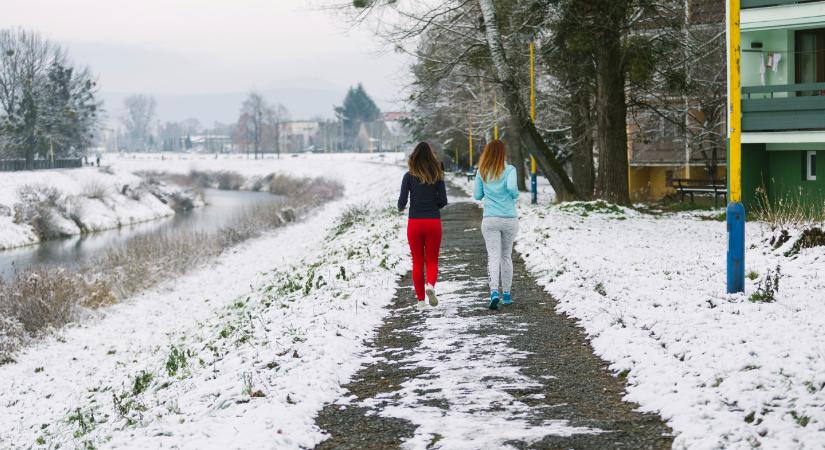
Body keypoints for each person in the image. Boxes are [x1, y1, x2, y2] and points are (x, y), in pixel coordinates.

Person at [398, 142, 448, 309]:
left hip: (415, 223)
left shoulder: (408, 176)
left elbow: (402, 202)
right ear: (431, 158)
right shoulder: (437, 175)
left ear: (414, 157)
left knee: (417, 262)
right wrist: (434, 206)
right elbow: (443, 201)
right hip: (433, 222)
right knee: (432, 260)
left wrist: (401, 208)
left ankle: (420, 301)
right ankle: (430, 286)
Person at [473, 140, 519, 310]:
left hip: (490, 219)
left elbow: (477, 195)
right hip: (509, 219)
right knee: (506, 256)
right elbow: (512, 188)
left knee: (493, 256)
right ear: (503, 153)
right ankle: (506, 294)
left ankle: (494, 292)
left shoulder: (482, 171)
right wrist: (514, 194)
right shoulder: (510, 170)